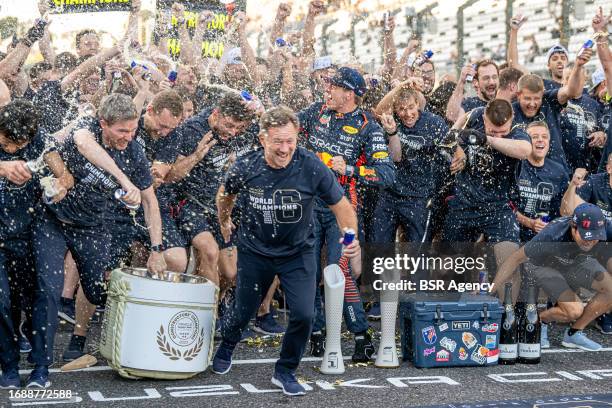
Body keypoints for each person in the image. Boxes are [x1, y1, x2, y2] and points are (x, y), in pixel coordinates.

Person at [212, 106, 361, 396]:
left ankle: (285, 370)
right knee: (243, 309)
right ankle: (228, 344)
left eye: (290, 141)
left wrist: (350, 239)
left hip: (298, 251)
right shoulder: (246, 166)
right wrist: (225, 219)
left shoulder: (311, 165)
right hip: (256, 250)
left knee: (304, 314)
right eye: (278, 141)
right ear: (262, 139)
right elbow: (224, 195)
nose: (285, 148)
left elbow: (342, 207)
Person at [31, 94, 166, 388]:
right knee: (48, 288)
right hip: (52, 219)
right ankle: (40, 364)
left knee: (95, 291)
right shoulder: (87, 126)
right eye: (121, 131)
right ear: (103, 123)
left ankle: (92, 338)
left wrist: (157, 249)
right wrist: (123, 180)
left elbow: (150, 201)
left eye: (133, 131)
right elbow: (83, 144)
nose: (128, 138)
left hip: (93, 226)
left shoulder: (134, 153)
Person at [297, 67, 395, 360]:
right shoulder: (316, 112)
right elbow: (287, 127)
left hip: (343, 209)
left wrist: (349, 169)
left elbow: (387, 175)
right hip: (309, 206)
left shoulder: (368, 126)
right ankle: (316, 332)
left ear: (349, 94)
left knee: (342, 271)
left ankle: (362, 336)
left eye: (333, 87)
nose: (326, 91)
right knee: (308, 271)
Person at [0, 100, 73, 388]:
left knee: (46, 289)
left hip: (37, 226)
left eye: (18, 144)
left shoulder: (42, 141)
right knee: (2, 299)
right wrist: (3, 167)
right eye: (5, 142)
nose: (12, 149)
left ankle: (41, 364)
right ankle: (7, 362)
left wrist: (60, 187)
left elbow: (65, 175)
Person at [492, 203, 612, 351]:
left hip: (575, 263)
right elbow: (514, 259)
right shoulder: (552, 233)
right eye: (586, 236)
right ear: (573, 227)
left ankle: (574, 333)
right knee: (574, 310)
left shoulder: (606, 225)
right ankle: (537, 320)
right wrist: (491, 289)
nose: (590, 241)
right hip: (545, 266)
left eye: (595, 237)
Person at [515, 121, 569, 243]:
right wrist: (529, 222)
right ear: (526, 142)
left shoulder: (559, 171)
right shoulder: (516, 166)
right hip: (515, 233)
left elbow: (564, 211)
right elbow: (504, 206)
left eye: (544, 137)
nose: (540, 140)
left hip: (545, 238)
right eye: (534, 137)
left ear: (549, 142)